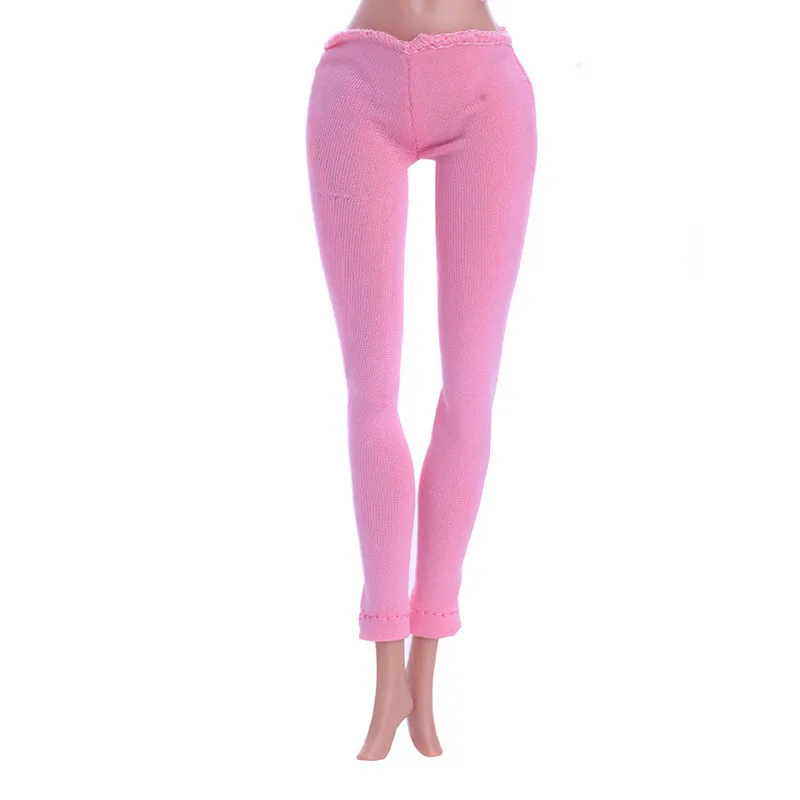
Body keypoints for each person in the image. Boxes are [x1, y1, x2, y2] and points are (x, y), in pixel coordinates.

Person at [305, 0, 537, 760]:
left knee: (470, 393)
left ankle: (425, 673)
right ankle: (387, 679)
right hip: (359, 86)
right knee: (371, 395)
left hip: (484, 89)